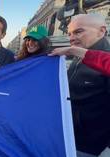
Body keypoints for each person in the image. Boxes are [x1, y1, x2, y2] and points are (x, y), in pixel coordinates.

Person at [57, 14, 110, 157]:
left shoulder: (105, 62)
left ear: (102, 31)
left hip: (91, 148)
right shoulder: (77, 56)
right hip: (69, 139)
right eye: (69, 33)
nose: (71, 37)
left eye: (78, 31)